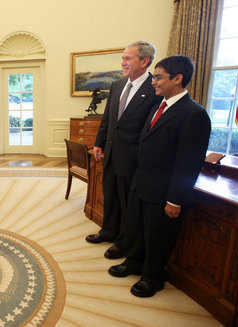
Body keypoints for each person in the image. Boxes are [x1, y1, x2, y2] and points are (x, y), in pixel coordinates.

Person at [108, 55, 211, 298]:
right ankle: (132, 261)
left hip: (164, 191)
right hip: (141, 182)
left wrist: (175, 200)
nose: (153, 82)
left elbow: (189, 163)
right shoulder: (158, 106)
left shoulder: (194, 114)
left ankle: (152, 277)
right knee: (135, 227)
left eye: (158, 77)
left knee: (157, 236)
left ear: (178, 79)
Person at [85, 41, 161, 259]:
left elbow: (150, 128)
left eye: (128, 58)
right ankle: (108, 231)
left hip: (132, 158)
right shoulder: (117, 85)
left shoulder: (154, 88)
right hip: (109, 153)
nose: (123, 62)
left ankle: (123, 242)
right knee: (110, 196)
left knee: (128, 204)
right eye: (123, 58)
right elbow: (108, 119)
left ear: (145, 61)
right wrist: (99, 142)